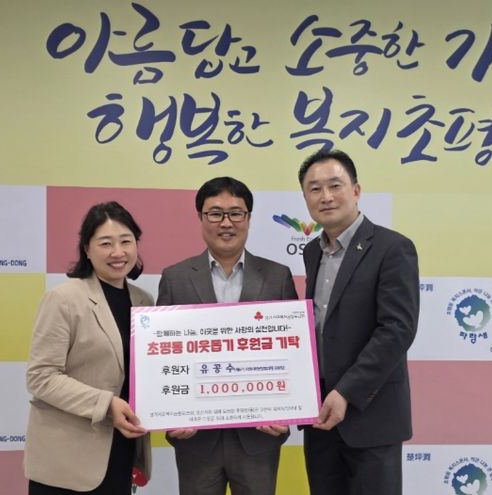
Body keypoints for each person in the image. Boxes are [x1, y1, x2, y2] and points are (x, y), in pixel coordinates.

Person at [156, 176, 298, 495]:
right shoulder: (175, 278)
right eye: (215, 213)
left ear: (248, 218)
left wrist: (287, 411)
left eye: (236, 213)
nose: (226, 223)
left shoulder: (277, 276)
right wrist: (171, 412)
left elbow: (294, 352)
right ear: (200, 217)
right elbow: (162, 354)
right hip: (196, 437)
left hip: (259, 435)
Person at [298, 149, 420, 495]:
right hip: (320, 417)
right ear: (306, 198)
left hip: (371, 415)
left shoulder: (392, 248)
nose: (325, 196)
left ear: (356, 190)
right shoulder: (312, 252)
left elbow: (397, 330)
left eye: (335, 185)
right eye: (314, 189)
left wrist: (346, 392)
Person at [24, 201, 152, 494]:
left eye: (126, 241)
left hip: (121, 450)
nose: (118, 252)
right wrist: (106, 403)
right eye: (105, 243)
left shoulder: (144, 302)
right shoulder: (64, 299)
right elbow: (41, 376)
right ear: (87, 249)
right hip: (67, 461)